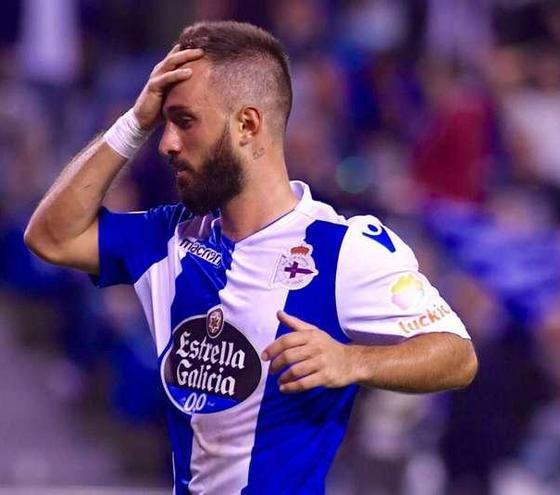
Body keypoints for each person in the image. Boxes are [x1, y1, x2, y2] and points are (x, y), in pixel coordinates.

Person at [24, 20, 477, 494]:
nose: (166, 144)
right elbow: (50, 237)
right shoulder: (168, 237)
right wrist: (133, 123)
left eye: (184, 121)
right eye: (162, 123)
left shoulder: (344, 250)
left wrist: (353, 360)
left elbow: (456, 354)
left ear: (247, 124)